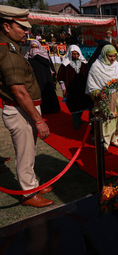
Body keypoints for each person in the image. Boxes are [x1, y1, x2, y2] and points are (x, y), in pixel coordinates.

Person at [0, 5, 54, 207]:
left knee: (29, 151)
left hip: (24, 109)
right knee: (24, 153)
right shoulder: (8, 52)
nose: (26, 31)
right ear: (6, 26)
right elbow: (19, 91)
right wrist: (39, 120)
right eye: (22, 27)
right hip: (20, 109)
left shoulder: (12, 47)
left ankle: (32, 185)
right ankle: (29, 194)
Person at [86, 45, 118, 151]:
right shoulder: (96, 66)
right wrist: (98, 94)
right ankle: (105, 143)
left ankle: (114, 139)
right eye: (110, 56)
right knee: (105, 120)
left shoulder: (116, 65)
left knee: (116, 117)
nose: (112, 59)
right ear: (104, 55)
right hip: (103, 99)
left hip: (116, 96)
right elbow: (91, 85)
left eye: (114, 56)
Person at [57, 45, 92, 129]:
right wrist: (63, 88)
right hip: (71, 89)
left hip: (82, 88)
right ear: (70, 54)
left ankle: (78, 119)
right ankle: (75, 121)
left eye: (77, 54)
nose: (75, 56)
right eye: (73, 54)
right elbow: (60, 77)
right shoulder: (65, 65)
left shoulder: (84, 63)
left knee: (82, 104)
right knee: (73, 105)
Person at [25, 40, 60, 114]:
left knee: (48, 93)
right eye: (32, 47)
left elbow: (47, 63)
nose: (34, 49)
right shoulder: (28, 56)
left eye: (36, 47)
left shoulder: (44, 54)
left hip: (46, 78)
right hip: (36, 79)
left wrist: (37, 56)